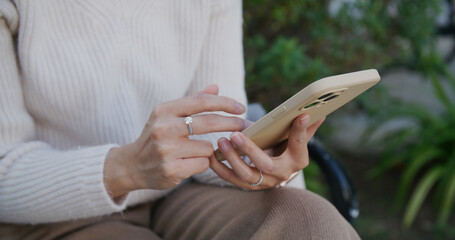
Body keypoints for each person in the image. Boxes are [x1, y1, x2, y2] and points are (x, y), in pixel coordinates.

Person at [0, 0, 360, 239]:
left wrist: (260, 162)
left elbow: (217, 130)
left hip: (185, 192)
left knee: (314, 227)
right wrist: (125, 169)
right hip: (55, 212)